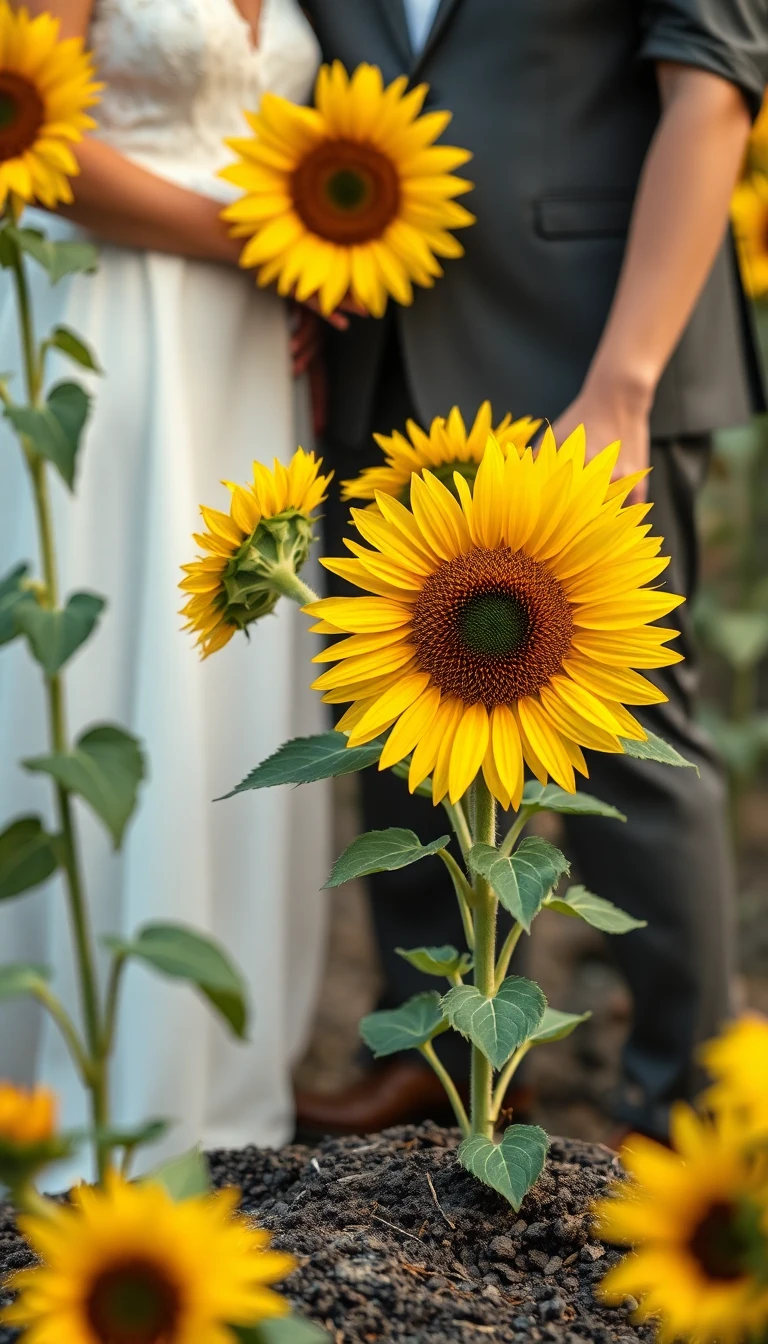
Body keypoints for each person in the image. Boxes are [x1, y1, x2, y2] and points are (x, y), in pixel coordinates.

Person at [295, 0, 768, 1142]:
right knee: (401, 711)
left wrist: (627, 378)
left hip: (589, 348)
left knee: (630, 728)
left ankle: (690, 1094)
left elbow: (715, 77)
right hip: (384, 342)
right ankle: (436, 1051)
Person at [0, 0, 330, 1182]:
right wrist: (260, 239)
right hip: (109, 324)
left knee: (234, 690)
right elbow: (31, 139)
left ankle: (226, 1087)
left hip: (252, 354)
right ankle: (80, 1083)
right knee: (106, 671)